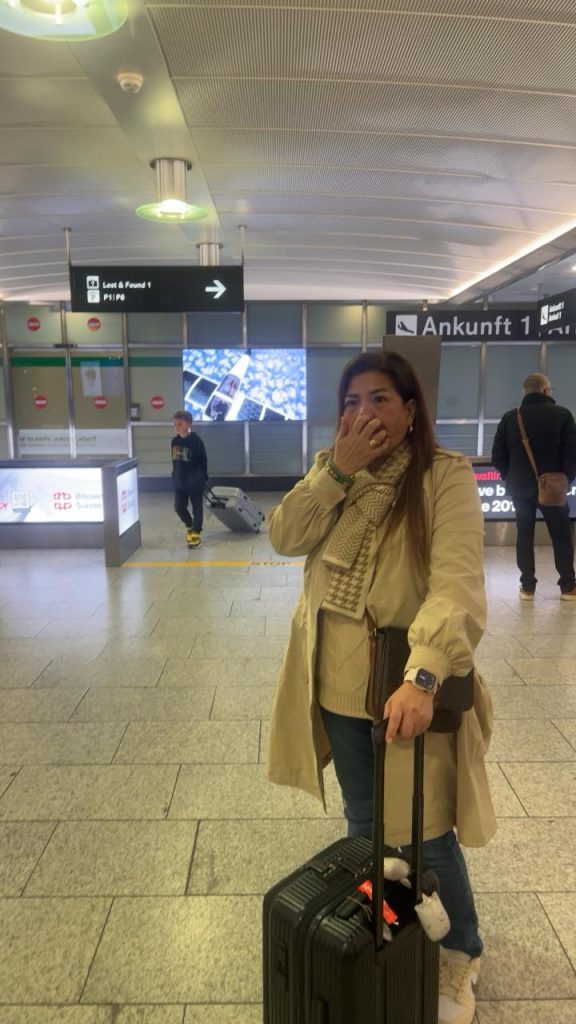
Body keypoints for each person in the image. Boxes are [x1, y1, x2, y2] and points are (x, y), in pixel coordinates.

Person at [266, 350, 495, 1024]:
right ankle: (392, 932)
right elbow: (283, 535)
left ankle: (459, 951)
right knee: (367, 826)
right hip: (337, 686)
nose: (363, 413)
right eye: (351, 401)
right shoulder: (333, 471)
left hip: (406, 684)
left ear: (410, 410)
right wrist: (336, 472)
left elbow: (457, 583)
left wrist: (424, 675)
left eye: (379, 400)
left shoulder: (443, 475)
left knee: (424, 830)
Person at [492, 372, 576, 600]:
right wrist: (565, 480)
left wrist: (510, 476)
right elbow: (572, 453)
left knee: (524, 535)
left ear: (526, 391)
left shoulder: (511, 418)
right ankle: (568, 587)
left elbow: (497, 455)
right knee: (561, 535)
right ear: (546, 391)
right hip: (553, 487)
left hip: (520, 489)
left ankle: (527, 587)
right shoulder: (562, 415)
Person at [171, 410, 208, 548]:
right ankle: (189, 525)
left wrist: (203, 477)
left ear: (189, 425)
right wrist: (175, 475)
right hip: (180, 481)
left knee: (197, 508)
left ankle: (196, 533)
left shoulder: (196, 441)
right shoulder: (175, 441)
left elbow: (203, 460)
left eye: (180, 424)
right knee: (179, 507)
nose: (176, 427)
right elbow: (175, 461)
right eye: (175, 424)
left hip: (195, 480)